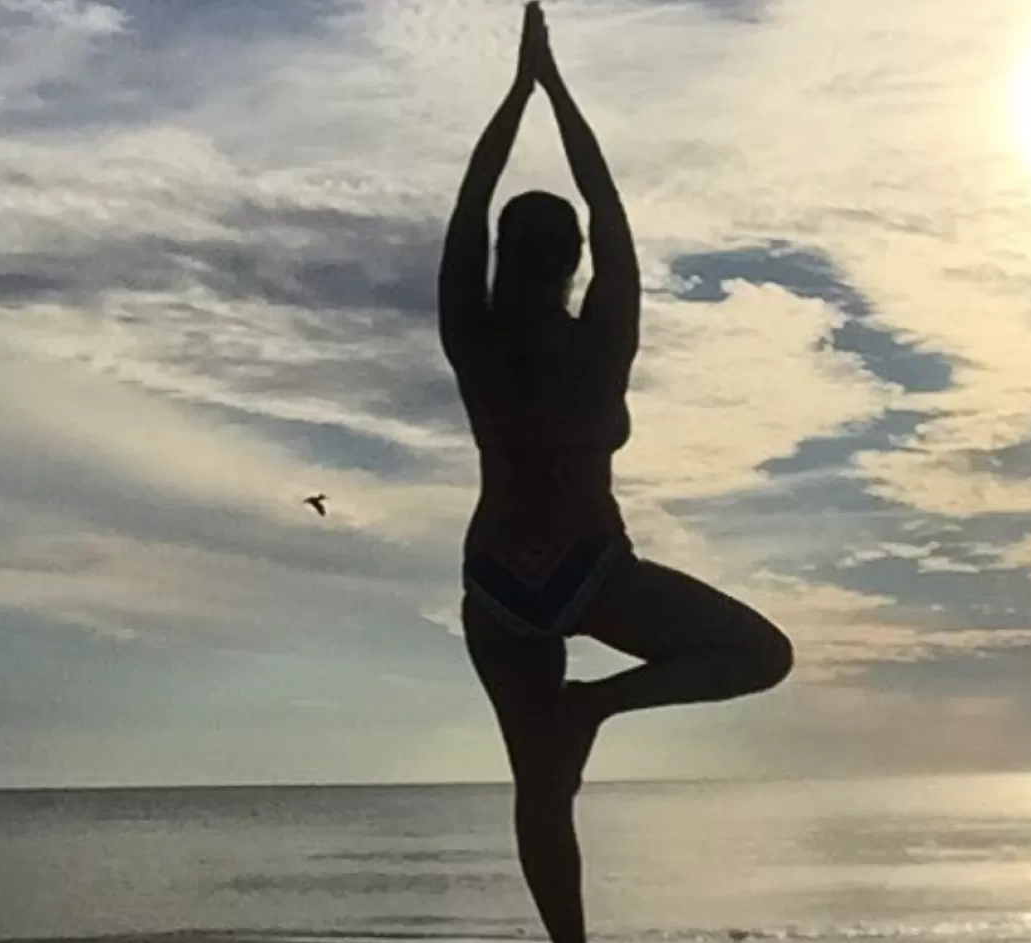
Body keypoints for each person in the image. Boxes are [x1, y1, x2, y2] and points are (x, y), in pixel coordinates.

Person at [437, 4, 795, 942]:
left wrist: (515, 95)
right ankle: (596, 703)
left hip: (497, 580)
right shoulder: (601, 340)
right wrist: (556, 89)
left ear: (502, 260)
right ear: (577, 263)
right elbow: (610, 207)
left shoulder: (470, 337)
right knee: (762, 655)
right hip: (591, 567)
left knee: (541, 787)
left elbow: (470, 207)